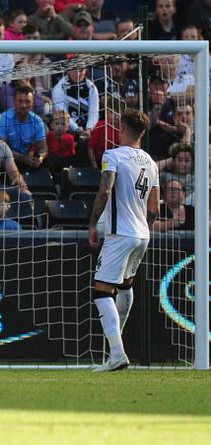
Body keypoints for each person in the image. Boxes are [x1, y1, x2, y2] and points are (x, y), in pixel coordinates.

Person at [88, 109, 159, 372]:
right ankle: (116, 347)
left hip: (120, 234)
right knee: (125, 287)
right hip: (142, 234)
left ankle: (117, 352)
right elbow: (155, 207)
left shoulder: (113, 155)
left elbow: (105, 190)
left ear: (122, 128)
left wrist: (93, 224)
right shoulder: (150, 162)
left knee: (101, 290)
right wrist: (144, 229)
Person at [0, 84, 48, 173]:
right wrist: (22, 158)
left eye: (27, 101)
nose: (23, 105)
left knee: (48, 163)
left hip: (27, 159)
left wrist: (40, 158)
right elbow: (0, 148)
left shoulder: (37, 121)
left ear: (32, 103)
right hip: (8, 159)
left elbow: (43, 148)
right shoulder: (4, 118)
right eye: (20, 101)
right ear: (14, 102)